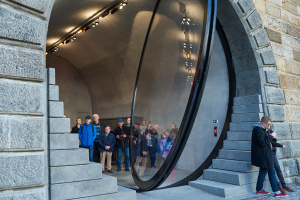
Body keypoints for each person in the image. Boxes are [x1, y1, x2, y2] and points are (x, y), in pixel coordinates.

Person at [251, 116, 287, 197]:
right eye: (268, 124)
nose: (269, 126)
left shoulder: (260, 129)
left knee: (264, 172)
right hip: (265, 156)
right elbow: (263, 142)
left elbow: (268, 142)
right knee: (271, 172)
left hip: (265, 156)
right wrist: (271, 136)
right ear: (263, 123)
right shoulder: (258, 130)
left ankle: (259, 189)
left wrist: (280, 145)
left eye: (270, 125)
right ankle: (277, 192)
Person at [265, 128, 294, 193]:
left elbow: (274, 141)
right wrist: (281, 145)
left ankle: (284, 185)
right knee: (272, 171)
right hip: (268, 154)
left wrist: (274, 137)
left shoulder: (270, 131)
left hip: (273, 153)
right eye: (268, 124)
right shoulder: (262, 132)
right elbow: (269, 142)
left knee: (278, 168)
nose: (269, 126)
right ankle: (278, 186)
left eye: (269, 124)